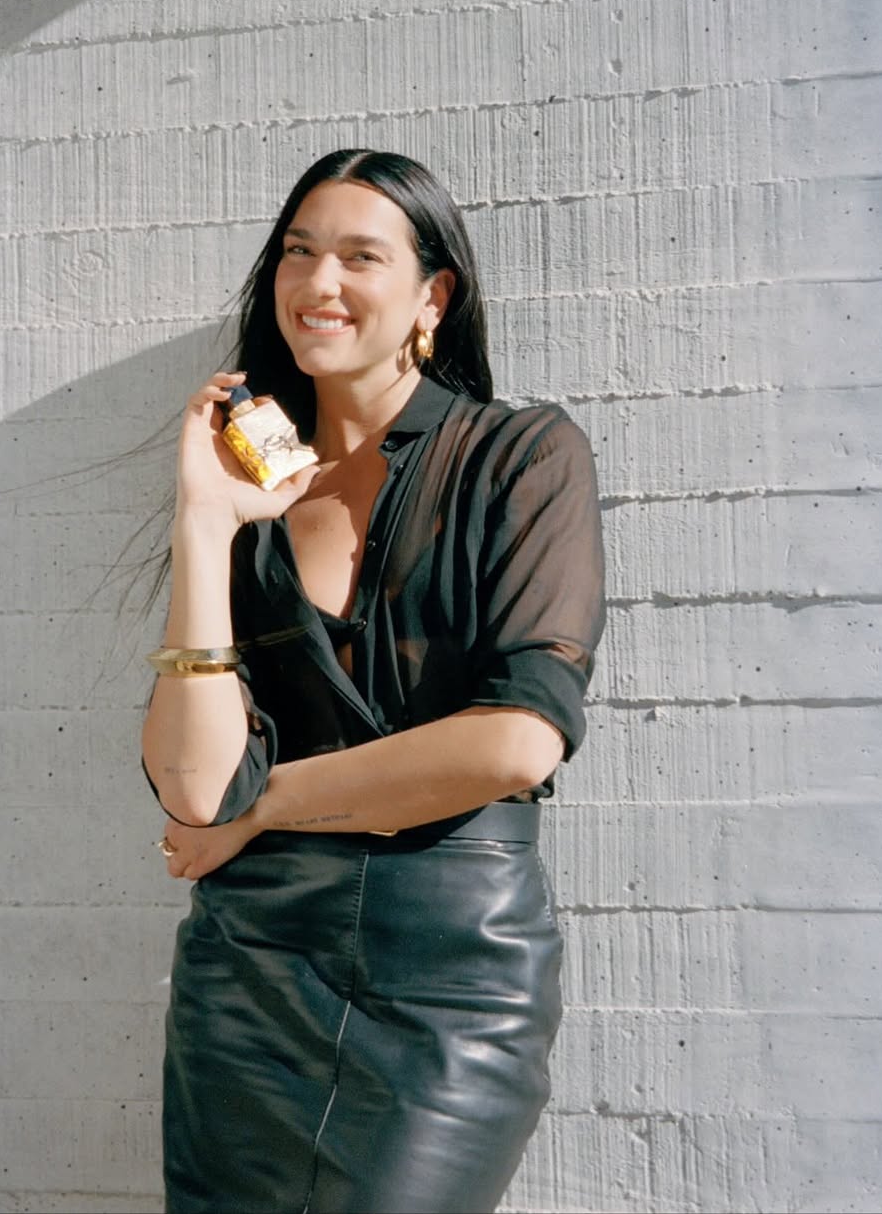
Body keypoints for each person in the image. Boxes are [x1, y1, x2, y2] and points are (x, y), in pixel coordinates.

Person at [140, 149, 606, 1214]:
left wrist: (268, 805)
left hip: (449, 978)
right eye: (299, 252)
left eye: (360, 256)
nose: (319, 282)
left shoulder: (520, 456)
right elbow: (198, 790)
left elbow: (516, 742)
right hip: (248, 980)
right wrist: (204, 523)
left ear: (432, 296)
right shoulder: (250, 506)